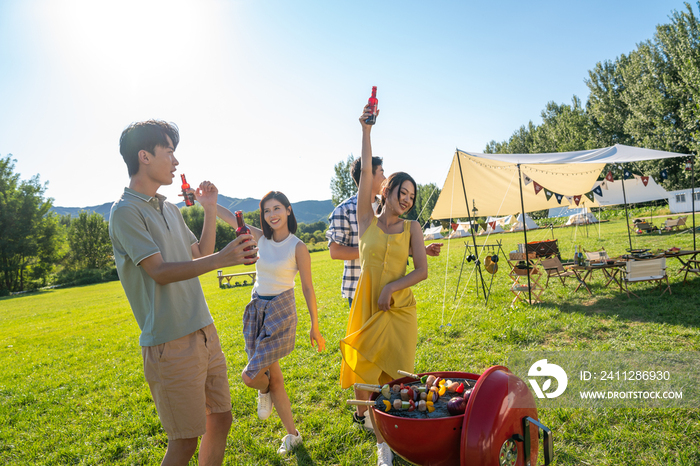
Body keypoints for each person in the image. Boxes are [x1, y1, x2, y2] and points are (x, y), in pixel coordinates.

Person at [109, 120, 259, 466]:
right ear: (144, 156)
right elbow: (159, 271)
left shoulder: (170, 208)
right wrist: (223, 259)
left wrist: (209, 209)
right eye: (170, 152)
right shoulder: (125, 211)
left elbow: (200, 253)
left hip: (204, 331)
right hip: (169, 343)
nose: (176, 162)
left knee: (221, 418)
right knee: (184, 441)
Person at [339, 106, 429, 466]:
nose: (407, 199)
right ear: (388, 188)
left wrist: (393, 287)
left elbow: (421, 271)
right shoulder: (366, 221)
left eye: (412, 196)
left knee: (396, 382)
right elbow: (363, 174)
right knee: (372, 382)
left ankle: (393, 438)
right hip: (368, 308)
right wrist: (365, 132)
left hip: (399, 311)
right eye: (402, 192)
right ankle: (383, 447)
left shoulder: (413, 230)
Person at [216, 191, 326, 455]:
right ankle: (293, 435)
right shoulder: (260, 238)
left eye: (277, 208)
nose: (272, 215)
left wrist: (315, 325)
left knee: (249, 375)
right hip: (257, 310)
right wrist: (207, 202)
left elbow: (308, 288)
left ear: (288, 210)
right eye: (266, 211)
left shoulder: (298, 246)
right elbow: (231, 218)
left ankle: (263, 390)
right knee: (274, 377)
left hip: (280, 311)